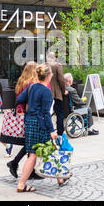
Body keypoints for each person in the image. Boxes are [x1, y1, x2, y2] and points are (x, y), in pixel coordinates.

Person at [15, 64, 68, 192]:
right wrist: (51, 130)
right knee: (42, 152)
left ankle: (60, 178)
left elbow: (19, 99)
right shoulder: (46, 92)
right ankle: (22, 184)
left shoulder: (31, 87)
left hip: (29, 122)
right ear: (49, 76)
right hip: (41, 125)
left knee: (41, 151)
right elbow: (46, 113)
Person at [5, 61, 43, 180]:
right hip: (28, 114)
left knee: (30, 143)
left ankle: (25, 168)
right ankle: (16, 163)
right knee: (31, 143)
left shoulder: (22, 81)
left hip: (23, 114)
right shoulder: (30, 83)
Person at [46, 52, 67, 136]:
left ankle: (47, 131)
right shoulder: (58, 66)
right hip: (56, 93)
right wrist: (63, 90)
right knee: (60, 113)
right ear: (55, 58)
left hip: (46, 91)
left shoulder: (44, 66)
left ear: (47, 57)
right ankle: (60, 132)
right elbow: (61, 80)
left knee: (46, 112)